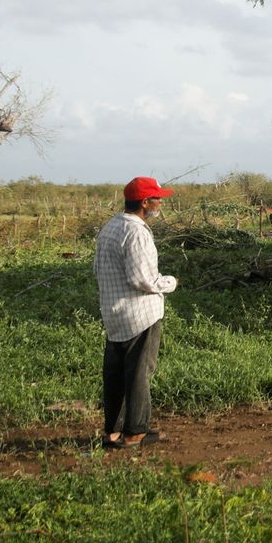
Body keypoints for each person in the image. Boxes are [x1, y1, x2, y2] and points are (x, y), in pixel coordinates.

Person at [94, 177, 177, 449]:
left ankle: (113, 432)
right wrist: (170, 282)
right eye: (157, 199)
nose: (160, 203)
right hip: (140, 314)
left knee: (116, 374)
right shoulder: (137, 232)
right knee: (140, 373)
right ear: (144, 202)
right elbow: (142, 279)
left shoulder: (111, 227)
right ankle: (135, 433)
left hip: (114, 313)